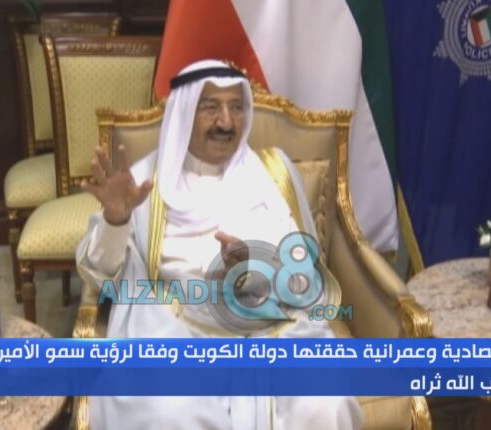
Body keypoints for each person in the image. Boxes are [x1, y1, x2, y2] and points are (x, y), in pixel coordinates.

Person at [76, 59, 363, 429]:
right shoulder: (144, 182)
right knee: (170, 416)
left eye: (236, 108)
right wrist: (116, 220)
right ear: (184, 112)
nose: (226, 122)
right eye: (210, 108)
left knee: (325, 405)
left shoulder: (274, 173)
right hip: (175, 334)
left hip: (275, 330)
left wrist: (255, 271)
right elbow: (103, 276)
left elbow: (305, 277)